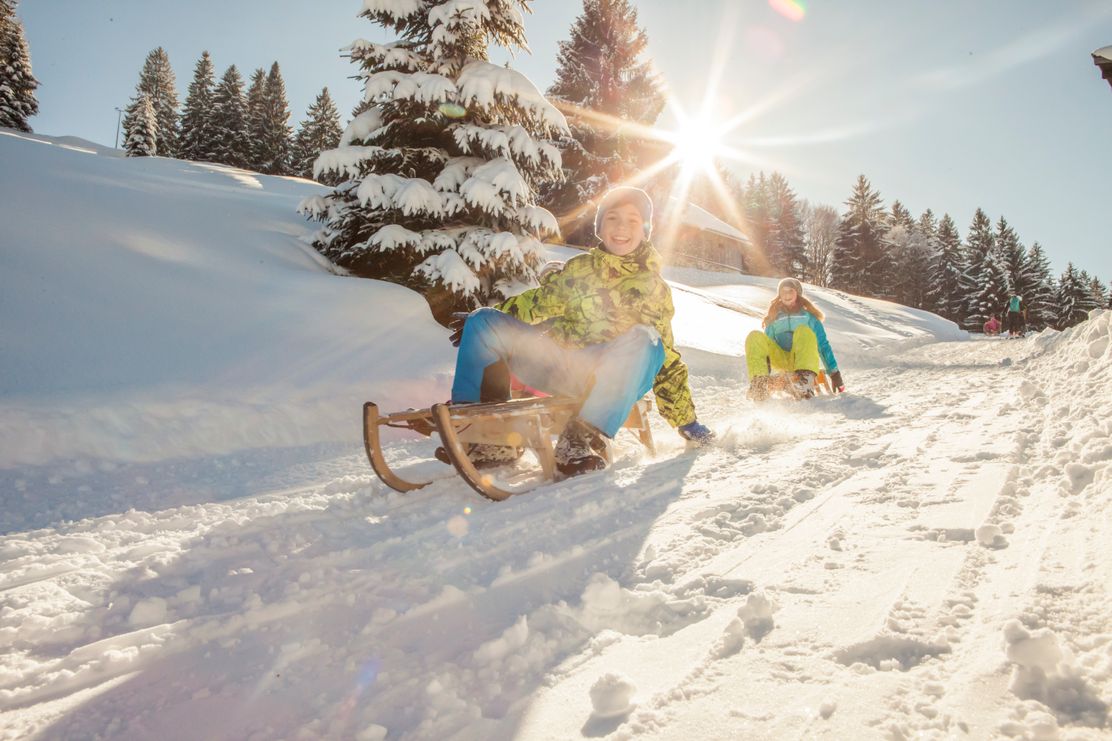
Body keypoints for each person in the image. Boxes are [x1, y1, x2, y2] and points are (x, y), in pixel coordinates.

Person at [447, 186, 715, 477]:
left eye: (633, 220)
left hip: (612, 379)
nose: (621, 227)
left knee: (646, 339)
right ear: (600, 227)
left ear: (646, 229)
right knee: (484, 320)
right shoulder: (578, 270)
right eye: (612, 218)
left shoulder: (653, 288)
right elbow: (536, 302)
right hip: (559, 367)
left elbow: (666, 358)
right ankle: (479, 434)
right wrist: (485, 323)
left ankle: (580, 439)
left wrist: (685, 421)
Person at [745, 278, 844, 400]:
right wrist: (766, 370)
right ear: (779, 295)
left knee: (803, 331)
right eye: (783, 291)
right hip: (781, 359)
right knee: (754, 336)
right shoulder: (774, 318)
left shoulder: (809, 318)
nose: (786, 295)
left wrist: (834, 373)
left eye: (790, 291)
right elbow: (766, 346)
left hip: (803, 360)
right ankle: (759, 385)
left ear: (797, 293)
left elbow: (823, 346)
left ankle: (805, 382)